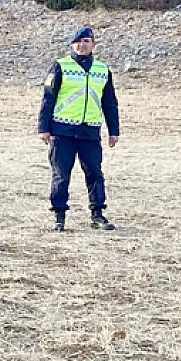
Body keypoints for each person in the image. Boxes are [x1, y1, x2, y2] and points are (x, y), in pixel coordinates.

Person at [38, 27, 120, 232]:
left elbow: (109, 102)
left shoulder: (102, 70)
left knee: (95, 173)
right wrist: (43, 127)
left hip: (89, 131)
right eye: (77, 42)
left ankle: (98, 214)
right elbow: (48, 98)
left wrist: (114, 130)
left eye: (86, 41)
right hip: (62, 131)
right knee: (61, 175)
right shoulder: (60, 66)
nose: (81, 45)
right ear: (71, 45)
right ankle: (59, 215)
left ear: (93, 44)